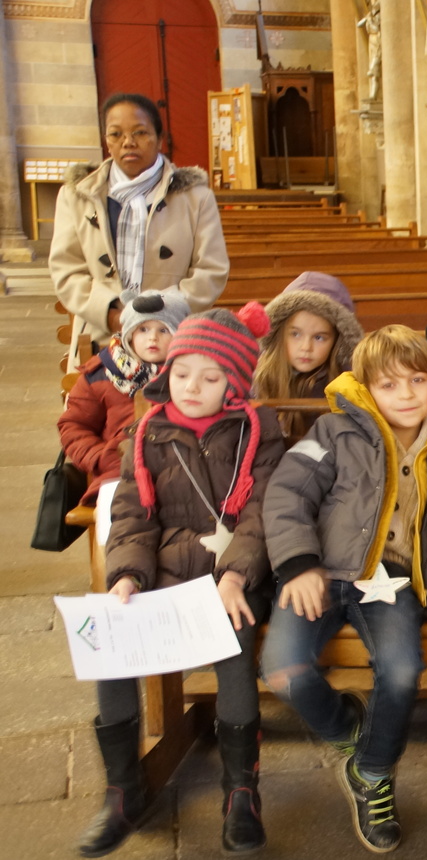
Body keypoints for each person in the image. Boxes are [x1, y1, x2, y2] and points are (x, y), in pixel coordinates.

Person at [82, 303, 285, 857]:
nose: (192, 386)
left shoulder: (257, 433)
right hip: (168, 571)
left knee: (234, 640)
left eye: (211, 376)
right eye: (182, 371)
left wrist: (237, 575)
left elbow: (262, 513)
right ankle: (124, 790)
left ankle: (241, 791)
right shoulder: (146, 431)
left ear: (235, 385)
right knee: (113, 641)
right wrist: (126, 575)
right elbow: (131, 513)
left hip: (234, 577)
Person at [261, 325, 427, 853]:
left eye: (418, 380)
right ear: (366, 388)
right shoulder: (331, 432)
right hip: (320, 572)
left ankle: (372, 773)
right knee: (283, 670)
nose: (406, 395)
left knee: (401, 671)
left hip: (390, 579)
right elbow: (286, 495)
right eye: (389, 384)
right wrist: (299, 563)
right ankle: (348, 728)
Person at [51, 93, 228, 351]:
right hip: (100, 335)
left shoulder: (195, 197)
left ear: (159, 139)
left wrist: (158, 318)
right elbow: (67, 270)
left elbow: (211, 270)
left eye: (140, 133)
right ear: (106, 142)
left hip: (174, 336)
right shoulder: (77, 195)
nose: (128, 143)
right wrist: (113, 316)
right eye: (116, 134)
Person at [58, 290, 190, 506]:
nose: (152, 338)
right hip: (118, 476)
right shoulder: (101, 375)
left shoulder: (195, 374)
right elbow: (74, 425)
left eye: (164, 330)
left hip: (183, 477)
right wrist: (100, 456)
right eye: (143, 329)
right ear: (129, 334)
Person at [253, 271, 365, 439]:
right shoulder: (258, 379)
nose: (306, 347)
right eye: (295, 334)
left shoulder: (348, 384)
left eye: (319, 337)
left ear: (337, 341)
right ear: (279, 333)